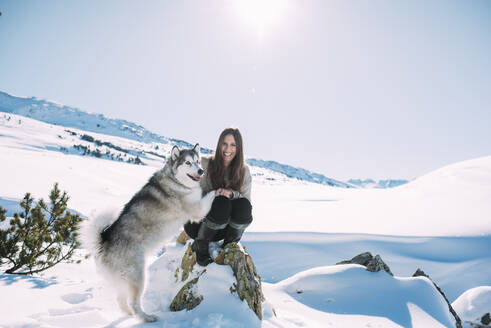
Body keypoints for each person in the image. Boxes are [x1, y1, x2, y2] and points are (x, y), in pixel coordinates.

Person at [184, 127, 253, 266]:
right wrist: (212, 196)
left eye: (233, 145)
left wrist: (232, 194)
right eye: (224, 143)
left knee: (243, 206)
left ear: (239, 148)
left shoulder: (244, 171)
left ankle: (229, 246)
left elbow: (246, 202)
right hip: (197, 224)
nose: (228, 149)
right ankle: (201, 246)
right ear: (219, 144)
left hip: (223, 228)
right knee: (221, 202)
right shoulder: (204, 163)